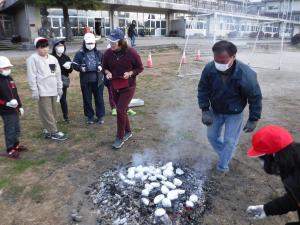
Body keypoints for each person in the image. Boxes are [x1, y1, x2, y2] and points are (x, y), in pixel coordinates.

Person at [197, 40, 262, 177]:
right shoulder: (209, 69)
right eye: (216, 60)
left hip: (234, 113)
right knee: (212, 136)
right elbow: (203, 89)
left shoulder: (246, 74)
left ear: (233, 57)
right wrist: (205, 109)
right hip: (216, 111)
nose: (219, 64)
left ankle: (222, 167)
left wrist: (253, 119)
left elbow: (255, 97)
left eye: (223, 60)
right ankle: (226, 154)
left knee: (230, 140)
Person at [246, 125, 300, 225]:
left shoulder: (295, 177)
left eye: (262, 158)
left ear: (274, 155)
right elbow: (295, 199)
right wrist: (266, 209)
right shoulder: (291, 162)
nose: (261, 164)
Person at [103, 28, 144, 149]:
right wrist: (107, 73)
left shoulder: (131, 52)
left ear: (121, 42)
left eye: (114, 42)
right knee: (123, 110)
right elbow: (104, 67)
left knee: (120, 110)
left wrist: (130, 73)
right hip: (115, 85)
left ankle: (119, 137)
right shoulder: (108, 53)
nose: (111, 44)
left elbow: (140, 68)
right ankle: (128, 132)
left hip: (128, 86)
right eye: (110, 41)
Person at [27, 37, 67, 141]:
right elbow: (32, 76)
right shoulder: (33, 59)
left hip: (53, 88)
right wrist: (35, 90)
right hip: (42, 90)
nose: (44, 49)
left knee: (53, 111)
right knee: (46, 111)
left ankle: (48, 129)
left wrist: (59, 87)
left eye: (46, 47)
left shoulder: (52, 59)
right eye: (41, 47)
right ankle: (53, 131)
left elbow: (57, 74)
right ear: (37, 48)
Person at [73, 33, 105, 125]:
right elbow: (74, 64)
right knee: (87, 99)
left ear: (95, 43)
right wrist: (80, 68)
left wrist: (101, 67)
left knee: (99, 98)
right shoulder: (79, 53)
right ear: (84, 43)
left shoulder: (99, 53)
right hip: (85, 81)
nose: (90, 45)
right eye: (88, 43)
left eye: (92, 43)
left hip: (98, 81)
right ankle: (90, 116)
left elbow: (105, 63)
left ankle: (100, 116)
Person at [0, 56, 27, 158]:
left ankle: (16, 144)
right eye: (5, 68)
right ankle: (10, 148)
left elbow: (15, 94)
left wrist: (20, 106)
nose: (8, 69)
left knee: (16, 127)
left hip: (14, 109)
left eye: (8, 67)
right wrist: (6, 103)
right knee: (10, 128)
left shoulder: (10, 78)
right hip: (5, 110)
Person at [51, 39, 73, 123]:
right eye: (58, 46)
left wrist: (68, 68)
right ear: (55, 47)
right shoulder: (51, 57)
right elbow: (50, 71)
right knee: (53, 100)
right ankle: (53, 118)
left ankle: (66, 116)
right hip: (53, 80)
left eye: (62, 46)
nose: (61, 47)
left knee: (62, 99)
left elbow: (70, 71)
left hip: (63, 80)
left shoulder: (66, 57)